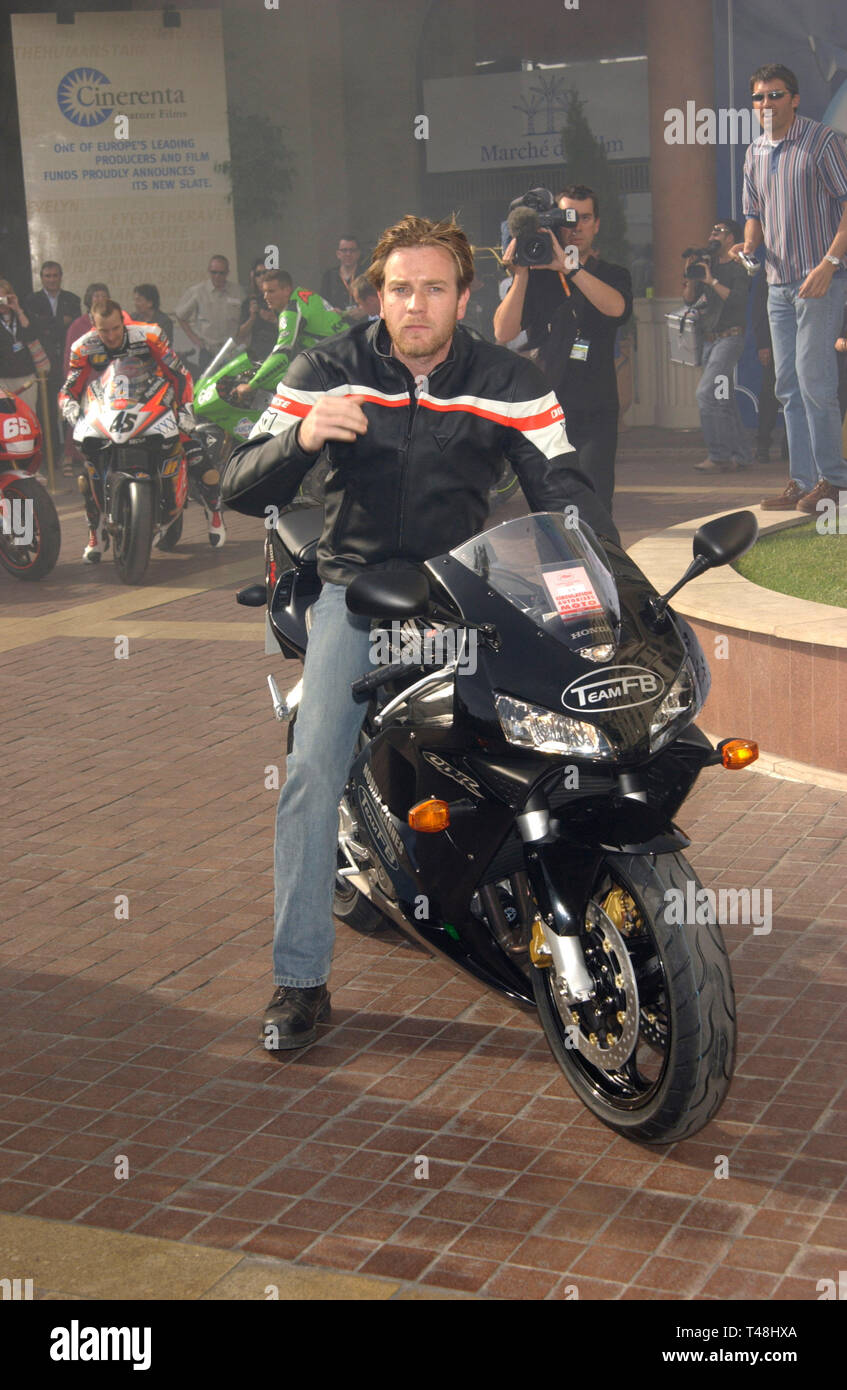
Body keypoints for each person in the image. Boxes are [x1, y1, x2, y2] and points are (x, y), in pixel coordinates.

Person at [221, 213, 618, 1050]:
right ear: (377, 294)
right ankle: (299, 980)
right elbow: (237, 486)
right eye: (400, 288)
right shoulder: (326, 369)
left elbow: (564, 491)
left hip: (463, 595)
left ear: (463, 296)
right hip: (353, 596)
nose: (415, 305)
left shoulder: (506, 378)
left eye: (434, 288)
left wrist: (606, 585)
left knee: (536, 737)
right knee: (312, 773)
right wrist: (301, 435)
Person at [735, 63, 847, 513]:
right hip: (776, 286)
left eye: (775, 95)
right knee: (787, 386)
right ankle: (802, 482)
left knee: (815, 380)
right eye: (759, 97)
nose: (766, 104)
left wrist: (831, 262)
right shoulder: (754, 152)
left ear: (795, 99)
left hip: (820, 280)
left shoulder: (823, 141)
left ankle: (834, 483)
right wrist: (747, 245)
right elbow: (754, 215)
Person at [493, 185, 632, 515]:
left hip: (596, 409)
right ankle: (561, 569)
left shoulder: (613, 274)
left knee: (595, 502)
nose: (577, 227)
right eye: (569, 219)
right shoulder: (539, 277)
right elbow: (503, 331)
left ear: (597, 224)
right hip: (547, 410)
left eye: (584, 218)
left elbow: (617, 309)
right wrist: (521, 273)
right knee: (552, 506)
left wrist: (570, 268)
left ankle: (603, 566)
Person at [59, 300, 225, 558]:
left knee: (199, 458)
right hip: (109, 410)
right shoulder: (83, 346)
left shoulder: (150, 334)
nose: (112, 336)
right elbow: (70, 386)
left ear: (122, 321)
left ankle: (213, 509)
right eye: (105, 331)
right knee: (89, 465)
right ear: (94, 326)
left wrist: (184, 409)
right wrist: (69, 406)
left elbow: (179, 374)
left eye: (116, 328)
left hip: (154, 403)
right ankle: (96, 528)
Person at [683, 219, 752, 473]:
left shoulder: (738, 266)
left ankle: (719, 455)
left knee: (705, 393)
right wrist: (691, 274)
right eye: (712, 230)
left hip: (729, 339)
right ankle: (742, 455)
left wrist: (711, 281)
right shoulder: (706, 263)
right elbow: (689, 300)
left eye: (720, 231)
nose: (713, 234)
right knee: (723, 399)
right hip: (710, 341)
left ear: (732, 238)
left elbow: (737, 301)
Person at [231, 270, 347, 403]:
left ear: (286, 290)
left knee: (277, 384)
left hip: (333, 366)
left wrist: (251, 385)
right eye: (264, 292)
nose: (265, 297)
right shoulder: (305, 294)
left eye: (271, 291)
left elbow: (281, 355)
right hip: (342, 355)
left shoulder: (291, 311)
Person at [23, 261, 81, 456]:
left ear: (61, 277)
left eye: (55, 275)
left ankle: (70, 453)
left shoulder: (72, 299)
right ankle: (52, 455)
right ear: (42, 278)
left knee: (69, 409)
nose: (52, 279)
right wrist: (59, 323)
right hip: (44, 364)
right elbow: (37, 329)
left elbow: (74, 328)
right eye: (47, 276)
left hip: (68, 361)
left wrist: (49, 324)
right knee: (47, 410)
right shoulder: (31, 301)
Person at [174, 255, 244, 369]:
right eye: (214, 272)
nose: (217, 276)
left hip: (231, 351)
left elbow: (246, 319)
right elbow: (181, 316)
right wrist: (196, 340)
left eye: (221, 273)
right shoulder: (197, 292)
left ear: (227, 273)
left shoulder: (238, 292)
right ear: (209, 271)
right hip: (208, 351)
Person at [750, 266, 788, 464]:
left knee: (797, 394)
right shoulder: (770, 268)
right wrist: (763, 343)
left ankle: (789, 446)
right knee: (769, 393)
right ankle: (763, 443)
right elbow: (759, 309)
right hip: (774, 341)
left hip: (801, 339)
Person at [0, 279, 48, 412]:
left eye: (4, 298)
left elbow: (31, 334)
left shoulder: (23, 313)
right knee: (5, 417)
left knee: (27, 413)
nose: (1, 302)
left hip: (25, 377)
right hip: (3, 377)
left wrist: (17, 309)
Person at [236, 258, 279, 360]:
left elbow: (293, 330)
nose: (262, 277)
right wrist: (252, 317)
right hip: (258, 353)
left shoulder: (281, 297)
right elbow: (240, 335)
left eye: (265, 272)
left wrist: (273, 319)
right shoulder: (250, 301)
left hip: (279, 350)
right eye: (258, 274)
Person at [320, 235, 363, 311]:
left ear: (358, 254)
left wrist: (364, 310)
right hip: (337, 321)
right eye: (344, 250)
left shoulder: (366, 275)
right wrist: (331, 310)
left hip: (363, 321)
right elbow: (323, 302)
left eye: (352, 250)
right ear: (338, 254)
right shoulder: (329, 276)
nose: (348, 254)